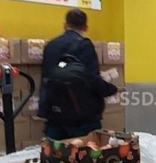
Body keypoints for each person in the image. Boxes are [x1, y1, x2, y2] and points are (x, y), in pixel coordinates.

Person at [39, 8, 118, 140]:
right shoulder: (84, 45)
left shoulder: (51, 45)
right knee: (86, 150)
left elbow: (46, 76)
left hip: (54, 113)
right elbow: (91, 79)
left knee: (55, 151)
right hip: (80, 116)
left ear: (65, 25)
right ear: (86, 27)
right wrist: (110, 89)